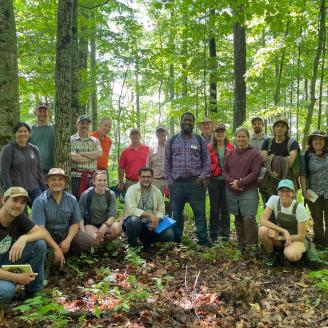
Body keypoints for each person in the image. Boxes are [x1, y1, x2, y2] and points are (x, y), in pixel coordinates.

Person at [164, 112, 211, 246]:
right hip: (177, 184)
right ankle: (177, 240)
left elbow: (206, 162)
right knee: (176, 214)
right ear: (181, 122)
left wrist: (201, 178)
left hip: (195, 184)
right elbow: (167, 163)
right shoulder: (172, 140)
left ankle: (203, 241)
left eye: (190, 120)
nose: (187, 122)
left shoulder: (199, 140)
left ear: (193, 123)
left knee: (200, 214)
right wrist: (170, 182)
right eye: (185, 120)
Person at [31, 168, 94, 256]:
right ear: (47, 182)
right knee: (40, 245)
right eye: (53, 179)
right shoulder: (40, 201)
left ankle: (65, 252)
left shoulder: (72, 199)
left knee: (88, 241)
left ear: (65, 183)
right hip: (47, 236)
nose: (57, 182)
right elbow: (40, 229)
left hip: (65, 233)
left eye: (60, 179)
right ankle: (53, 253)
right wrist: (55, 247)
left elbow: (76, 223)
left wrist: (68, 240)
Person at [0, 187, 47, 304]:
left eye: (22, 202)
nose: (18, 205)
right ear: (4, 201)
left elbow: (42, 233)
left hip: (4, 261)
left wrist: (24, 238)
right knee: (6, 291)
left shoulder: (18, 217)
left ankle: (34, 293)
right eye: (15, 200)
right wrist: (17, 278)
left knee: (39, 244)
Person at [223, 127, 262, 252]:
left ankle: (252, 247)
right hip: (232, 189)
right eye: (239, 136)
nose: (241, 139)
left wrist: (240, 183)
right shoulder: (230, 153)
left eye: (244, 136)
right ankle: (241, 245)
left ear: (248, 138)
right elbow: (224, 170)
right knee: (238, 217)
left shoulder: (254, 153)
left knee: (249, 218)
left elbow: (256, 172)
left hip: (248, 189)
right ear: (235, 138)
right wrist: (231, 181)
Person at [258, 179, 314, 266]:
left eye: (288, 191)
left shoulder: (299, 208)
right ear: (278, 192)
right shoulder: (273, 200)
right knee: (262, 230)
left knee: (292, 255)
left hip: (296, 239)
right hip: (282, 234)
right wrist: (284, 231)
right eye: (281, 190)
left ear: (293, 193)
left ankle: (296, 255)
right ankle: (272, 256)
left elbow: (301, 236)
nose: (284, 193)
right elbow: (263, 220)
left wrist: (280, 238)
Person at [123, 167, 174, 248]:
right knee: (134, 221)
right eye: (143, 177)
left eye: (149, 177)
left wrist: (156, 220)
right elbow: (131, 210)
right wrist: (150, 215)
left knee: (169, 235)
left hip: (149, 225)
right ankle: (133, 247)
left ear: (152, 178)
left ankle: (146, 241)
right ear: (139, 177)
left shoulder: (156, 191)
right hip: (134, 222)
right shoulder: (132, 190)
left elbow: (161, 210)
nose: (146, 179)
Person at [0, 122, 46, 206]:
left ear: (29, 133)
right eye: (20, 131)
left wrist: (44, 188)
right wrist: (10, 191)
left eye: (25, 131)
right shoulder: (8, 149)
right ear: (15, 133)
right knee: (21, 218)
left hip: (35, 189)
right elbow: (4, 172)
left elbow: (39, 171)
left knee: (42, 211)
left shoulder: (34, 149)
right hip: (18, 192)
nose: (23, 134)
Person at [260, 118, 300, 204]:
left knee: (288, 204)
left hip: (287, 179)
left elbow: (290, 161)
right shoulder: (267, 142)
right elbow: (263, 159)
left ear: (286, 129)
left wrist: (272, 159)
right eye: (277, 126)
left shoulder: (292, 143)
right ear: (273, 128)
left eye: (282, 126)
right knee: (270, 204)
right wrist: (273, 169)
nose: (279, 128)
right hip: (269, 180)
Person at [300, 131, 328, 247]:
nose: (318, 142)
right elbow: (303, 174)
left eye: (321, 139)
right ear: (311, 142)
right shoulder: (306, 156)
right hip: (313, 193)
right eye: (315, 139)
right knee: (317, 220)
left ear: (325, 142)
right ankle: (319, 242)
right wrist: (304, 191)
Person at [79, 170, 122, 244]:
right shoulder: (86, 195)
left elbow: (112, 214)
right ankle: (97, 242)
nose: (102, 183)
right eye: (99, 180)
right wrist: (83, 233)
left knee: (117, 228)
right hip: (90, 224)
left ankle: (105, 243)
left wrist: (105, 225)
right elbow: (80, 215)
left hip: (105, 223)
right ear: (94, 182)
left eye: (104, 180)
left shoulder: (110, 194)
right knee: (94, 239)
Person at [207, 124, 234, 242]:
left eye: (222, 131)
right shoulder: (209, 147)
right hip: (213, 182)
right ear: (214, 133)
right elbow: (205, 163)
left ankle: (225, 235)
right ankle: (213, 234)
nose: (220, 133)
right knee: (214, 209)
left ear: (225, 133)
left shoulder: (231, 147)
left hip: (227, 182)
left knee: (226, 209)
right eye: (218, 131)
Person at [70, 115, 102, 198]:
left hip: (92, 177)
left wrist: (81, 153)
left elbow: (99, 154)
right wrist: (92, 157)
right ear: (77, 125)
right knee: (76, 200)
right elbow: (75, 158)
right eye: (82, 123)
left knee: (92, 202)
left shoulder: (95, 140)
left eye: (87, 124)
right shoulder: (71, 140)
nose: (85, 125)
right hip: (76, 177)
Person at [29, 103, 55, 174]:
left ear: (48, 113)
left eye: (44, 111)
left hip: (52, 168)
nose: (42, 113)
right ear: (36, 113)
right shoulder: (30, 130)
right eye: (40, 111)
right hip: (34, 168)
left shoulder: (54, 128)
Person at [146, 126, 167, 194]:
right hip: (156, 180)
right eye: (159, 132)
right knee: (156, 201)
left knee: (171, 202)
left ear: (166, 133)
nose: (161, 133)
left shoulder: (171, 146)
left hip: (169, 180)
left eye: (162, 132)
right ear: (156, 134)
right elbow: (148, 165)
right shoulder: (152, 148)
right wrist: (148, 178)